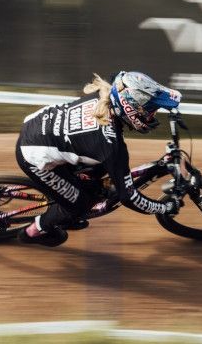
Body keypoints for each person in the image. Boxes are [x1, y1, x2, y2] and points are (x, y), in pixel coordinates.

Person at [15, 71, 183, 247]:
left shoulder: (106, 95)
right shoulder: (111, 147)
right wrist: (164, 208)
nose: (151, 116)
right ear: (130, 109)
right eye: (149, 111)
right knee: (80, 205)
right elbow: (129, 198)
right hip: (33, 155)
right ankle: (32, 232)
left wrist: (172, 109)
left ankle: (75, 189)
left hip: (36, 128)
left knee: (98, 171)